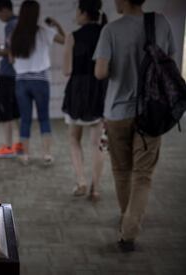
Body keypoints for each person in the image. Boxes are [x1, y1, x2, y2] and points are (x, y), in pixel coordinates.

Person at [93, 0, 175, 252]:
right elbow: (170, 64)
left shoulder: (111, 30)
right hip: (152, 111)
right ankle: (129, 228)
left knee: (121, 170)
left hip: (118, 112)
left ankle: (126, 220)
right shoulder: (160, 23)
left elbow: (101, 72)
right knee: (143, 174)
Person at [62, 0, 108, 200]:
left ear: (82, 12)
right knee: (97, 143)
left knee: (74, 138)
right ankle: (95, 188)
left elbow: (66, 70)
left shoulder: (72, 37)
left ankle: (81, 181)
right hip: (101, 91)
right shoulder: (106, 32)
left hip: (78, 93)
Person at [10, 0, 65, 165]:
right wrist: (56, 24)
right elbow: (67, 40)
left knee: (25, 119)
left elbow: (11, 59)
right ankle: (46, 154)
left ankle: (25, 155)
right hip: (40, 80)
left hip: (21, 81)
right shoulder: (45, 31)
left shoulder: (15, 34)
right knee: (44, 118)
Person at [0, 0, 23, 158]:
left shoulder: (11, 25)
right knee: (16, 111)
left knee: (5, 112)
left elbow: (11, 51)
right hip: (18, 74)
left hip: (7, 74)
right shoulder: (21, 23)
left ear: (4, 9)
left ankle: (7, 146)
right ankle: (18, 143)